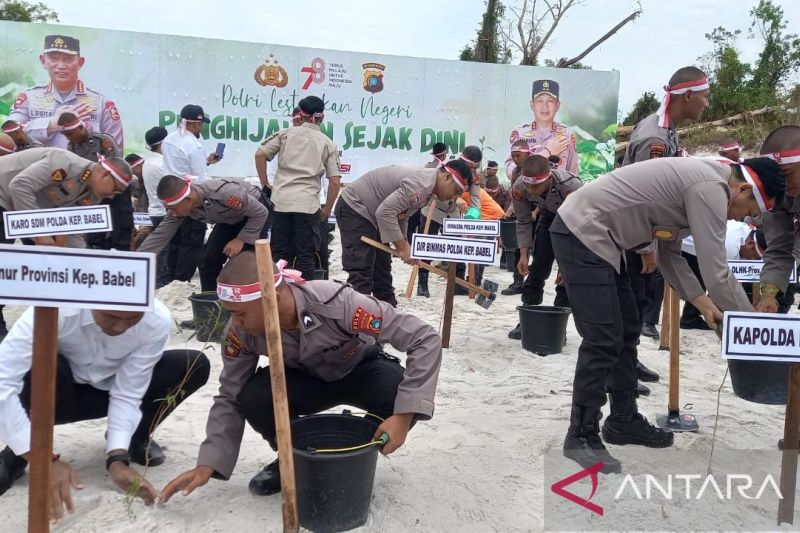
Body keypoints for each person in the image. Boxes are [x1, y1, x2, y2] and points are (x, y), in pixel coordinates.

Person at [550, 155, 784, 473]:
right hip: (583, 231)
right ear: (743, 189)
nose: (741, 219)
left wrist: (703, 304)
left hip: (604, 239)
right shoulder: (711, 187)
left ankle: (622, 418)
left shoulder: (707, 181)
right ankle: (581, 434)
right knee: (603, 337)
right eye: (748, 211)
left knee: (628, 328)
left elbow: (669, 254)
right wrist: (751, 329)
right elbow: (717, 272)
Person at [158, 252, 442, 501]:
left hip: (359, 368)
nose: (236, 322)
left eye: (241, 313)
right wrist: (208, 462)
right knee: (253, 397)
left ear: (274, 297)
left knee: (402, 397)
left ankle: (357, 451)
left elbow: (424, 338)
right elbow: (229, 394)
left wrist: (403, 419)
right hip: (303, 379)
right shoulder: (239, 332)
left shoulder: (338, 303)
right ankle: (292, 458)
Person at [0, 301, 210, 522]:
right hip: (56, 396)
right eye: (111, 316)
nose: (120, 328)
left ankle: (134, 440)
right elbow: (3, 381)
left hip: (105, 394)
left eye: (132, 319)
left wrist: (117, 460)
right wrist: (43, 458)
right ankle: (17, 454)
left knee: (193, 363)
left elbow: (129, 392)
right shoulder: (54, 308)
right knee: (48, 364)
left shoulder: (156, 319)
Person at [336, 160, 474, 303]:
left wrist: (404, 245)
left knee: (382, 269)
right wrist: (402, 247)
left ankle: (389, 314)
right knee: (362, 269)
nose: (453, 198)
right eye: (456, 191)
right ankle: (358, 318)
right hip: (355, 208)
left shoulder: (430, 188)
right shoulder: (422, 184)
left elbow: (401, 216)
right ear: (446, 177)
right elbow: (385, 213)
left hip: (373, 217)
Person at [255, 96, 340, 280]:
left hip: (281, 202)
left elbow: (260, 154)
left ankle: (279, 299)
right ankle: (306, 301)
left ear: (300, 115)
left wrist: (265, 184)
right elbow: (334, 181)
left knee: (280, 255)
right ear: (321, 118)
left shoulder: (285, 134)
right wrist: (327, 208)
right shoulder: (328, 143)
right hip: (307, 205)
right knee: (306, 257)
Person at [137, 175, 269, 293]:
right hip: (230, 219)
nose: (173, 213)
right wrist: (137, 260)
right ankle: (209, 308)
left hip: (255, 216)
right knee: (207, 261)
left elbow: (261, 212)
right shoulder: (180, 207)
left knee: (243, 265)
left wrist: (241, 239)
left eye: (174, 209)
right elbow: (159, 236)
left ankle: (246, 307)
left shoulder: (224, 193)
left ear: (188, 199)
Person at [507, 155, 581, 339]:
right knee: (538, 266)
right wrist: (523, 255)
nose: (530, 191)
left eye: (536, 186)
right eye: (528, 185)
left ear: (548, 178)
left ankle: (558, 327)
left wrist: (567, 265)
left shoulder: (572, 187)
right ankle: (527, 317)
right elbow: (523, 220)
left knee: (567, 276)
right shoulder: (519, 187)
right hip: (548, 216)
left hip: (573, 222)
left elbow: (579, 226)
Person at [8, 34, 123, 150]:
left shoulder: (102, 104)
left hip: (84, 168)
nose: (61, 66)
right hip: (37, 166)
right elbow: (9, 135)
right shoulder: (28, 98)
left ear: (80, 63)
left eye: (68, 59)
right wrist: (51, 124)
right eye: (54, 59)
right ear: (43, 61)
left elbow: (114, 152)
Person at [160, 104, 221, 290]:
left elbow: (182, 169)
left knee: (175, 241)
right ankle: (182, 283)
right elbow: (201, 180)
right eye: (201, 125)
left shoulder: (169, 140)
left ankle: (168, 281)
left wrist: (207, 162)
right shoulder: (193, 145)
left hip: (171, 197)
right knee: (191, 243)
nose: (201, 129)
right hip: (190, 200)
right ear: (195, 124)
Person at [58, 112, 134, 251]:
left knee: (121, 229)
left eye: (70, 133)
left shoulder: (103, 141)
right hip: (93, 193)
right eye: (65, 135)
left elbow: (115, 167)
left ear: (80, 128)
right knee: (94, 234)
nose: (68, 138)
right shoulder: (72, 147)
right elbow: (78, 172)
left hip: (115, 189)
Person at [417, 146, 484, 297]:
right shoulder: (444, 168)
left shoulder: (474, 176)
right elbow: (433, 189)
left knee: (456, 248)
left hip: (452, 213)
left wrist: (474, 215)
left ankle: (457, 283)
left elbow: (475, 199)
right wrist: (456, 197)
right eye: (470, 167)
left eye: (475, 168)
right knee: (427, 246)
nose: (472, 171)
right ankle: (422, 284)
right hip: (433, 210)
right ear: (462, 160)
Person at [756, 125, 800, 314]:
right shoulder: (779, 193)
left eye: (787, 173)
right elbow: (780, 247)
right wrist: (768, 295)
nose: (782, 183)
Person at [679, 219, 753, 329]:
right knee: (698, 282)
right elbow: (722, 281)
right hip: (684, 243)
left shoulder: (747, 231)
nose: (753, 259)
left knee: (701, 281)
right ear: (750, 243)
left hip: (703, 244)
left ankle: (690, 317)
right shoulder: (730, 246)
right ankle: (689, 318)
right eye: (755, 255)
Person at [507, 79, 578, 174]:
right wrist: (546, 153)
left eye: (550, 101)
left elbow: (573, 174)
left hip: (557, 188)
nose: (545, 106)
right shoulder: (519, 133)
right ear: (532, 104)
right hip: (527, 187)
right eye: (540, 101)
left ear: (557, 105)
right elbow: (510, 172)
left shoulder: (567, 135)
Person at [501, 141, 533, 296]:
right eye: (512, 156)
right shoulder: (515, 173)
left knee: (540, 252)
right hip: (523, 212)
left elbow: (546, 193)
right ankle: (518, 282)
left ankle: (532, 284)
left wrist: (537, 212)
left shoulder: (536, 167)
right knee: (520, 247)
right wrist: (509, 211)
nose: (515, 159)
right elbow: (516, 195)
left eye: (518, 156)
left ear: (528, 153)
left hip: (541, 212)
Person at [141, 127, 170, 287]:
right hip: (163, 210)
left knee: (161, 246)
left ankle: (159, 278)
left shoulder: (148, 162)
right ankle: (161, 280)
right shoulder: (160, 165)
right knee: (165, 248)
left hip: (155, 210)